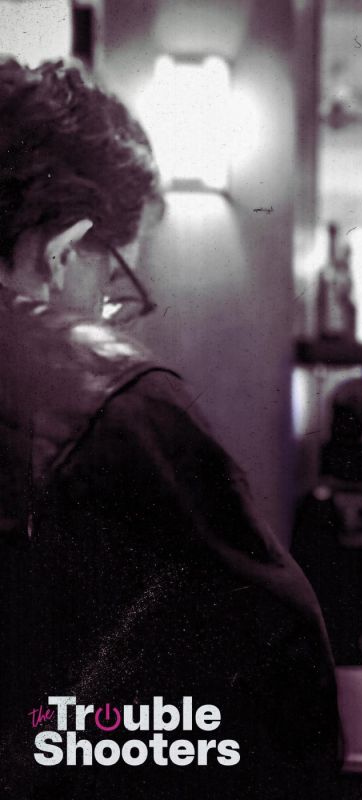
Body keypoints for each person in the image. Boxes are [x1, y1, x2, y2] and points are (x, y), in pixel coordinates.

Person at [0, 58, 339, 798]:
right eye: (113, 285)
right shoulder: (111, 396)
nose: (109, 316)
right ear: (64, 250)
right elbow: (280, 695)